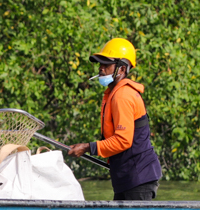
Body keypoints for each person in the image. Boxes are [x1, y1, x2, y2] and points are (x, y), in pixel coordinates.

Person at [68, 38, 163, 201]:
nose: (101, 69)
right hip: (128, 177)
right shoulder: (114, 93)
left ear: (122, 69)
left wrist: (87, 147)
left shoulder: (123, 96)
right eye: (100, 64)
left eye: (107, 65)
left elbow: (123, 141)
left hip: (138, 177)